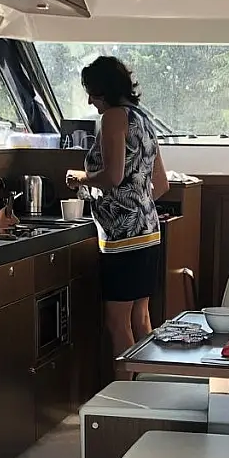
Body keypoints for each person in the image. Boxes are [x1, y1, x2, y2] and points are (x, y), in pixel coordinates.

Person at [66, 56, 168, 359]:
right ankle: (148, 382)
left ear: (105, 90)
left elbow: (113, 176)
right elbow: (161, 184)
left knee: (117, 322)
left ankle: (126, 386)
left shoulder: (113, 117)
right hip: (148, 231)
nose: (90, 101)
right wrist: (135, 203)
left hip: (123, 237)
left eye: (92, 93)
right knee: (141, 318)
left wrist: (79, 177)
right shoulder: (143, 119)